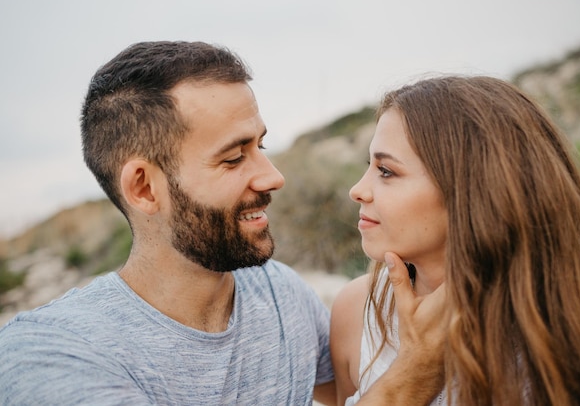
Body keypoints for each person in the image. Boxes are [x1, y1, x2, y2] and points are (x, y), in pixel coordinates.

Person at [0, 40, 337, 405]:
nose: (273, 177)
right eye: (234, 157)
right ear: (144, 188)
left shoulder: (282, 294)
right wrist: (401, 380)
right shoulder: (50, 355)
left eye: (261, 147)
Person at [330, 75, 580, 406]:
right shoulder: (358, 312)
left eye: (386, 171)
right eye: (369, 166)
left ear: (472, 190)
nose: (357, 190)